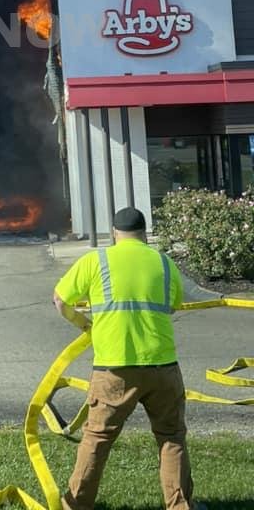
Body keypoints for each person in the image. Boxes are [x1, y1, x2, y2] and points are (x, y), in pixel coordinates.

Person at [53, 207, 206, 510]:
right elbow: (174, 305)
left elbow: (60, 299)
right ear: (145, 233)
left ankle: (76, 505)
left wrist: (86, 325)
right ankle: (179, 506)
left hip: (114, 369)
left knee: (97, 438)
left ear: (114, 233)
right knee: (171, 437)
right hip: (162, 367)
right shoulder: (164, 263)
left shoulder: (96, 260)